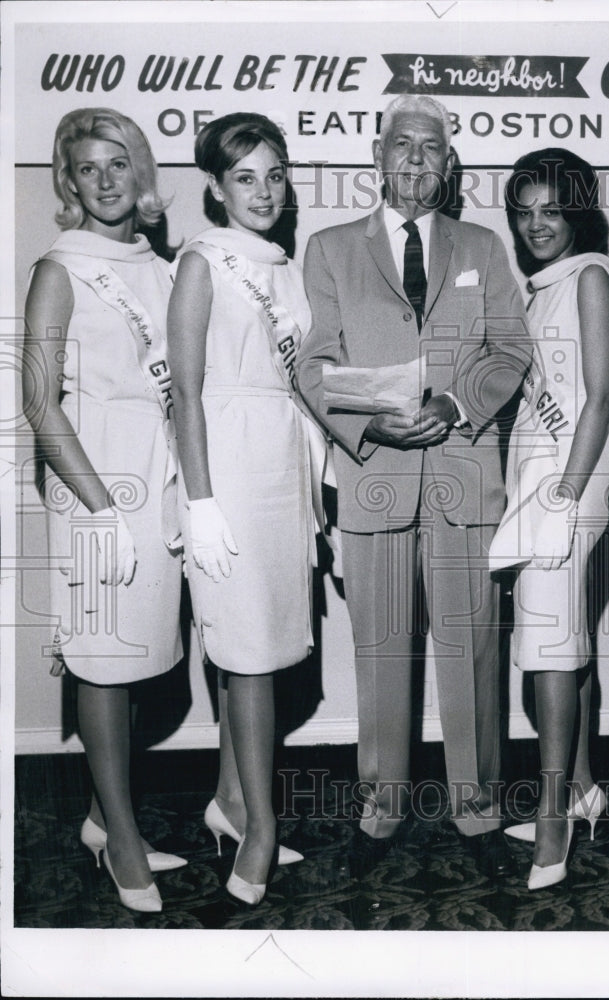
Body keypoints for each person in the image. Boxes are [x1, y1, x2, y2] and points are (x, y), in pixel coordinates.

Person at [296, 94, 531, 880]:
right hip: (375, 481)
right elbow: (313, 363)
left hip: (463, 483)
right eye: (404, 144)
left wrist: (458, 403)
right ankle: (381, 810)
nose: (417, 159)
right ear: (377, 152)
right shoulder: (329, 249)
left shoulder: (483, 246)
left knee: (471, 658)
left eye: (432, 147)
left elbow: (511, 350)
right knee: (380, 659)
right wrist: (369, 427)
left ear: (450, 162)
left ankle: (479, 812)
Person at [22, 108, 184, 913]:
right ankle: (122, 841)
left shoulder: (161, 266)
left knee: (146, 663)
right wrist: (98, 509)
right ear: (70, 183)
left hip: (158, 482)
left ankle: (99, 814)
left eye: (118, 163)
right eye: (88, 168)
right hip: (93, 487)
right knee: (102, 659)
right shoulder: (60, 269)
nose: (107, 180)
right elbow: (40, 406)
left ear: (140, 169)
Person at [168, 112, 325, 905]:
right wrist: (198, 500)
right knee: (249, 651)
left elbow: (304, 381)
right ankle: (261, 828)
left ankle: (231, 802)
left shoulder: (284, 266)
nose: (264, 192)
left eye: (274, 174)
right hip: (226, 465)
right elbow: (185, 392)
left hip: (281, 464)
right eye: (245, 178)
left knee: (251, 652)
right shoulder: (202, 261)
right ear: (216, 188)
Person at [488, 148, 609, 889]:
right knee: (563, 638)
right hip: (543, 482)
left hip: (572, 484)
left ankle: (551, 824)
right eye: (525, 210)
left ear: (577, 211)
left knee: (547, 648)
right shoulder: (541, 288)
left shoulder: (592, 276)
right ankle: (581, 789)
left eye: (552, 210)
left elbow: (598, 397)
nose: (538, 224)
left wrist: (566, 496)